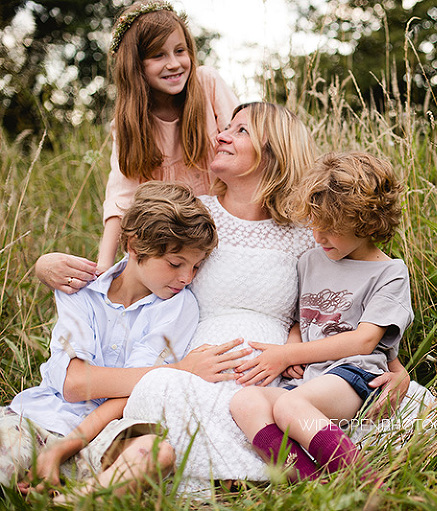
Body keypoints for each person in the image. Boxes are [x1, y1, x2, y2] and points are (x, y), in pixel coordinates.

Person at [121, 103, 415, 496]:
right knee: (173, 393)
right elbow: (139, 262)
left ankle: (328, 480)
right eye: (225, 127)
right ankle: (299, 481)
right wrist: (53, 267)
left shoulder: (311, 231)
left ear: (273, 151)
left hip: (289, 370)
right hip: (208, 363)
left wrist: (395, 367)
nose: (221, 135)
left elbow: (346, 311)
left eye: (240, 130)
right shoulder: (199, 214)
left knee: (279, 406)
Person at [0, 182, 244, 496]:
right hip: (38, 418)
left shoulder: (178, 306)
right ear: (133, 245)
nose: (187, 278)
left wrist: (60, 450)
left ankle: (71, 501)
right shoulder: (80, 292)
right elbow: (75, 384)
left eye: (196, 266)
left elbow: (132, 394)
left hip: (108, 432)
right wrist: (182, 369)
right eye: (175, 263)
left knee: (157, 453)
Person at [229, 151, 412, 483]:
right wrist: (292, 347)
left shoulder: (389, 273)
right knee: (245, 402)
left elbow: (367, 340)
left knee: (288, 407)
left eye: (331, 229)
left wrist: (288, 354)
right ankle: (313, 484)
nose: (317, 236)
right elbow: (302, 319)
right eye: (315, 225)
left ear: (367, 222)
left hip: (355, 377)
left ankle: (363, 481)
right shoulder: (311, 261)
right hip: (310, 378)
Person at [34, 0, 238, 293]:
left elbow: (245, 146)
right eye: (158, 55)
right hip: (170, 244)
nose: (174, 63)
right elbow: (121, 195)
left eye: (180, 51)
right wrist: (103, 267)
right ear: (135, 64)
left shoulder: (207, 84)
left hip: (220, 234)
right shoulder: (129, 120)